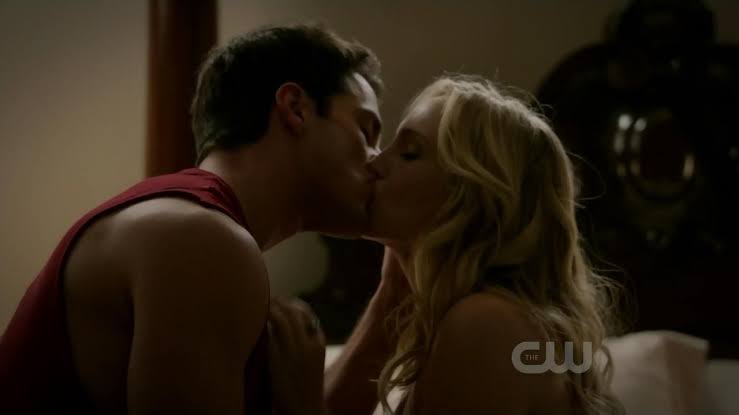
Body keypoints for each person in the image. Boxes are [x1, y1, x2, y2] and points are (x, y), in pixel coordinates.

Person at [0, 24, 383, 414]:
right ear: (295, 108)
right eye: (367, 130)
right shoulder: (201, 240)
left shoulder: (194, 225)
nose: (378, 160)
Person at [267, 75, 626, 414]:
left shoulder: (485, 325)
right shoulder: (493, 319)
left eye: (409, 153)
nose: (375, 161)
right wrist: (393, 292)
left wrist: (299, 401)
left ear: (474, 199)